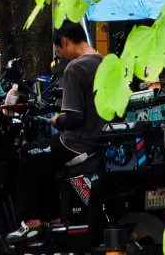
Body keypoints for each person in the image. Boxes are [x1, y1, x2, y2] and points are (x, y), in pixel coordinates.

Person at [13, 21, 106, 240]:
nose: (61, 56)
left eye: (58, 50)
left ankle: (32, 223)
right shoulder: (107, 63)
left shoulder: (75, 68)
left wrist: (57, 120)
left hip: (77, 143)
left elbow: (73, 117)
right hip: (104, 140)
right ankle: (55, 219)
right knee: (45, 159)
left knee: (28, 153)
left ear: (64, 41)